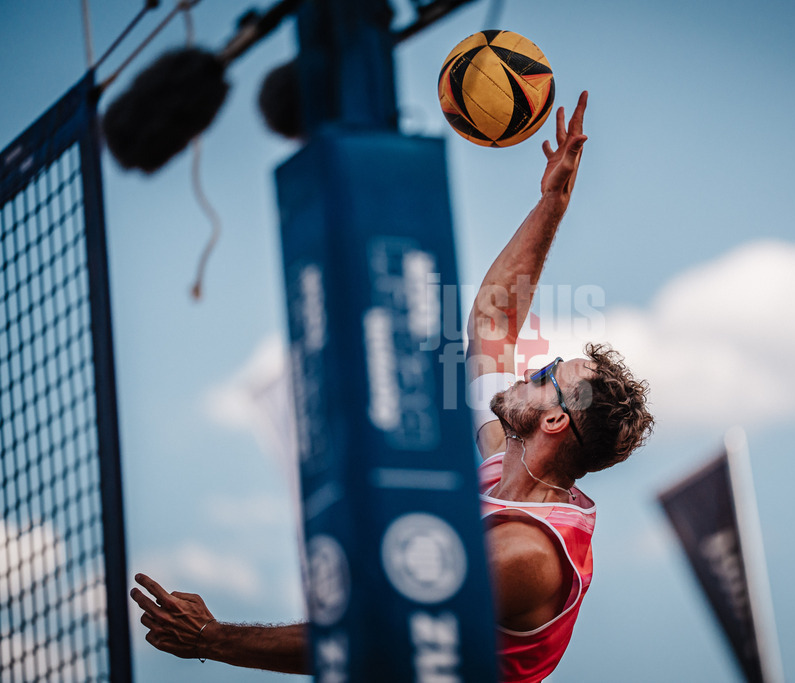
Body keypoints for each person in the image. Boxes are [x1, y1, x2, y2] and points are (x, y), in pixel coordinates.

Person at [131, 91, 654, 682]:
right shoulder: (505, 467)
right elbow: (493, 320)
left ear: (555, 422)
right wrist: (552, 202)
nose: (528, 368)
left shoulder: (527, 555)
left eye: (543, 376)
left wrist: (212, 637)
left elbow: (373, 636)